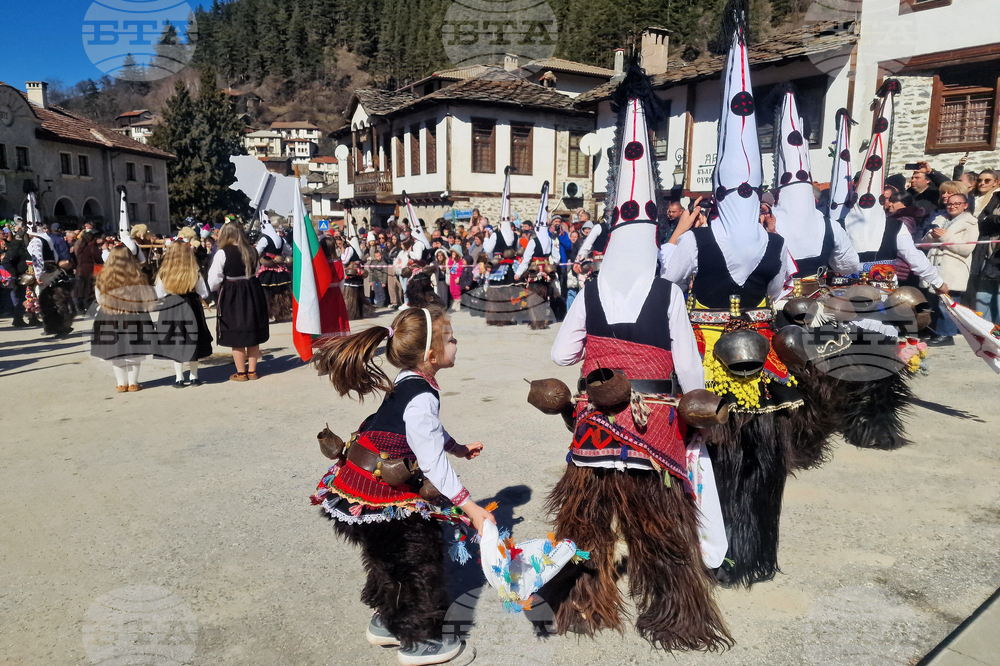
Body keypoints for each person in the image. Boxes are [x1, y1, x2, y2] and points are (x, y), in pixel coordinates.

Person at [544, 63, 730, 651]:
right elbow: (689, 368)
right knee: (662, 529)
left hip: (597, 426)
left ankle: (579, 607)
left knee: (586, 524)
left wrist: (594, 349)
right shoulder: (668, 292)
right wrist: (694, 417)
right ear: (652, 234)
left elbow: (560, 349)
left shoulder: (590, 290)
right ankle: (677, 617)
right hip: (652, 427)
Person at [659, 15, 804, 589]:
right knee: (758, 459)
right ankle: (755, 549)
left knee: (701, 455)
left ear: (717, 191)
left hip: (702, 349)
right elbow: (781, 291)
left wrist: (680, 234)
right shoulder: (776, 241)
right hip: (759, 352)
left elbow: (665, 277)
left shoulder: (697, 238)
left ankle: (710, 550)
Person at [310, 305, 495, 664]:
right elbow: (431, 462)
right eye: (451, 338)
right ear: (432, 353)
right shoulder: (422, 394)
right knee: (415, 562)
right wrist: (471, 509)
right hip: (377, 490)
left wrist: (457, 447)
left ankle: (384, 622)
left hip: (360, 482)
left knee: (388, 559)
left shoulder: (411, 380)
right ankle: (417, 640)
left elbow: (425, 433)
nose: (457, 343)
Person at [770, 90, 860, 282]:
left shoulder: (767, 222)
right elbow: (849, 265)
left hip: (776, 301)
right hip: (817, 303)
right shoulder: (829, 225)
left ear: (780, 194)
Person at [209, 222, 270, 382]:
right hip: (252, 289)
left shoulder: (223, 253)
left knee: (237, 331)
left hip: (232, 292)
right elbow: (256, 270)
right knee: (252, 329)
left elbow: (214, 280)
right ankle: (252, 371)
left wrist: (219, 288)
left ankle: (241, 373)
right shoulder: (252, 251)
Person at [91, 245, 155, 392]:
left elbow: (100, 299)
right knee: (135, 350)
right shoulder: (137, 276)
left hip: (109, 316)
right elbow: (145, 297)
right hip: (133, 316)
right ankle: (133, 382)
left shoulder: (102, 277)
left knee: (115, 351)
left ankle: (121, 383)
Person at [921, 194, 980, 345]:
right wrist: (932, 236)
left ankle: (947, 334)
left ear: (965, 205)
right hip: (935, 266)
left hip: (953, 268)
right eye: (949, 204)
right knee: (934, 302)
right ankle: (934, 330)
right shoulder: (939, 220)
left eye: (957, 203)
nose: (952, 206)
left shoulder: (971, 223)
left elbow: (967, 248)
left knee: (947, 304)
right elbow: (924, 243)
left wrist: (945, 237)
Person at [155, 241, 212, 387]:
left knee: (176, 340)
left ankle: (179, 378)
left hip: (171, 306)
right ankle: (194, 377)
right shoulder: (194, 272)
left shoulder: (163, 272)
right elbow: (204, 293)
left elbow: (159, 293)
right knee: (192, 339)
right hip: (191, 305)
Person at [968, 169, 1000, 322]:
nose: (982, 184)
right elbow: (981, 220)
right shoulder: (996, 197)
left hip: (997, 255)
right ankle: (985, 331)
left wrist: (991, 219)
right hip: (986, 252)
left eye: (987, 181)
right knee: (982, 295)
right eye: (980, 180)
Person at [255, 219, 293, 322]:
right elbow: (289, 251)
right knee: (281, 292)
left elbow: (256, 252)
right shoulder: (282, 239)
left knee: (266, 292)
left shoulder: (264, 239)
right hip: (279, 269)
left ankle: (267, 314)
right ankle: (280, 313)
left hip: (267, 268)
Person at [317, 236, 350, 341]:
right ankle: (338, 341)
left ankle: (324, 342)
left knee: (325, 318)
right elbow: (342, 282)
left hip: (322, 294)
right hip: (336, 294)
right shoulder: (338, 264)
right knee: (337, 316)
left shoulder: (319, 264)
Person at [73, 231, 103, 313]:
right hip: (90, 270)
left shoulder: (80, 248)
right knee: (89, 290)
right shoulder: (93, 248)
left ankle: (80, 307)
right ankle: (89, 307)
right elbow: (99, 259)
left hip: (80, 270)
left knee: (80, 290)